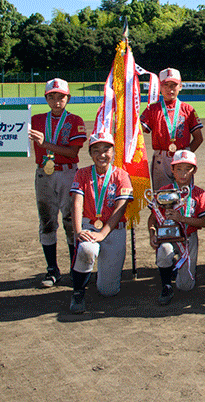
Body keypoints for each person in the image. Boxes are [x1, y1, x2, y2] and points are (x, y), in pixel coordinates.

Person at [28, 78, 87, 288]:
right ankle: (52, 269)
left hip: (68, 174)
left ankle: (74, 268)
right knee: (47, 221)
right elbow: (10, 125)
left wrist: (46, 144)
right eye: (51, 97)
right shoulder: (35, 120)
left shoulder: (75, 120)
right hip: (44, 173)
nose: (56, 101)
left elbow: (73, 152)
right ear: (46, 98)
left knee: (71, 221)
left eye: (61, 97)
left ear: (68, 98)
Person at [68, 131, 134, 314]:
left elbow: (120, 208)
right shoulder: (82, 174)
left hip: (114, 230)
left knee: (108, 291)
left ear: (113, 152)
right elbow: (76, 201)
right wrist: (78, 231)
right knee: (86, 249)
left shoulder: (121, 175)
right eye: (96, 150)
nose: (101, 155)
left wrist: (102, 234)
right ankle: (78, 291)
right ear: (90, 153)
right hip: (90, 226)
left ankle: (98, 278)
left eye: (106, 149)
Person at [148, 150, 205, 305]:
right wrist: (152, 234)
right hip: (167, 237)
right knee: (164, 251)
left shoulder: (199, 193)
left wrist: (181, 219)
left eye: (187, 169)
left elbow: (204, 223)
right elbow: (152, 219)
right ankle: (166, 285)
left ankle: (178, 269)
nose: (183, 174)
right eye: (179, 169)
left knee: (186, 287)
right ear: (172, 170)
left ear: (194, 170)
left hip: (189, 238)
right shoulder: (164, 191)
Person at [139, 68, 203, 188]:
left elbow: (198, 138)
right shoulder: (152, 109)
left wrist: (186, 154)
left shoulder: (188, 110)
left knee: (184, 194)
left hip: (182, 159)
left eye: (174, 85)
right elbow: (137, 132)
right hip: (161, 159)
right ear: (160, 87)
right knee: (162, 196)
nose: (170, 89)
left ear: (180, 86)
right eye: (166, 85)